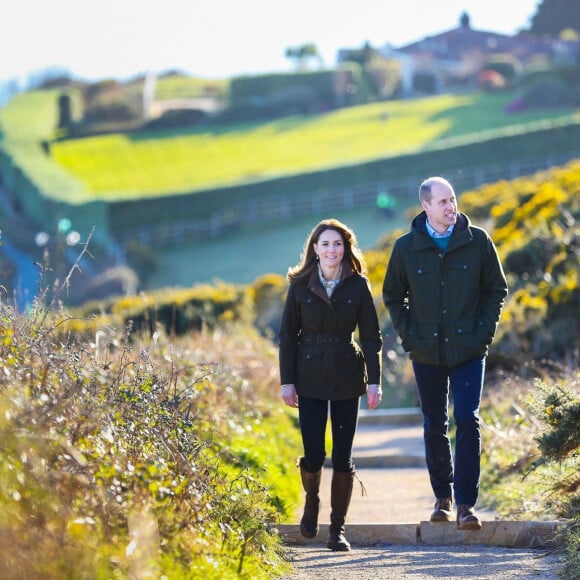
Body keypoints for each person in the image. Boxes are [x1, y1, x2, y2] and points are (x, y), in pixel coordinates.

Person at [382, 176, 508, 530]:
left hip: (470, 349)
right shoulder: (405, 248)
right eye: (443, 202)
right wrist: (411, 338)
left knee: (467, 418)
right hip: (427, 353)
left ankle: (467, 505)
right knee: (434, 425)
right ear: (426, 206)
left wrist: (483, 334)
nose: (451, 207)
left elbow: (496, 289)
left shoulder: (478, 241)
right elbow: (393, 296)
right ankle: (443, 498)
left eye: (452, 199)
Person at [279, 218, 383, 551]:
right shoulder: (299, 285)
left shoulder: (358, 285)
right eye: (325, 244)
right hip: (308, 376)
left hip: (346, 376)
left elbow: (370, 336)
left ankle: (337, 530)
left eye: (337, 244)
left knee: (342, 455)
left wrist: (374, 380)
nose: (331, 250)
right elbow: (287, 337)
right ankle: (312, 501)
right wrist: (287, 381)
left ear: (345, 247)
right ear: (315, 249)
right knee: (313, 453)